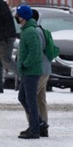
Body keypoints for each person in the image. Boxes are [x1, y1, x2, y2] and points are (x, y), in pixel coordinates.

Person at [14, 4, 44, 139]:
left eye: (18, 15)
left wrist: (25, 64)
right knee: (23, 98)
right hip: (27, 71)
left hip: (31, 71)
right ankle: (39, 123)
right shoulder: (26, 30)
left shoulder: (30, 32)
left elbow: (35, 52)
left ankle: (34, 130)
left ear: (23, 17)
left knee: (30, 100)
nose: (16, 17)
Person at [31, 9, 51, 138]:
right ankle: (43, 125)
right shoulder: (43, 31)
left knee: (30, 98)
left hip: (37, 70)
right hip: (46, 68)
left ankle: (36, 126)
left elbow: (35, 52)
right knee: (41, 99)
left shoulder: (34, 33)